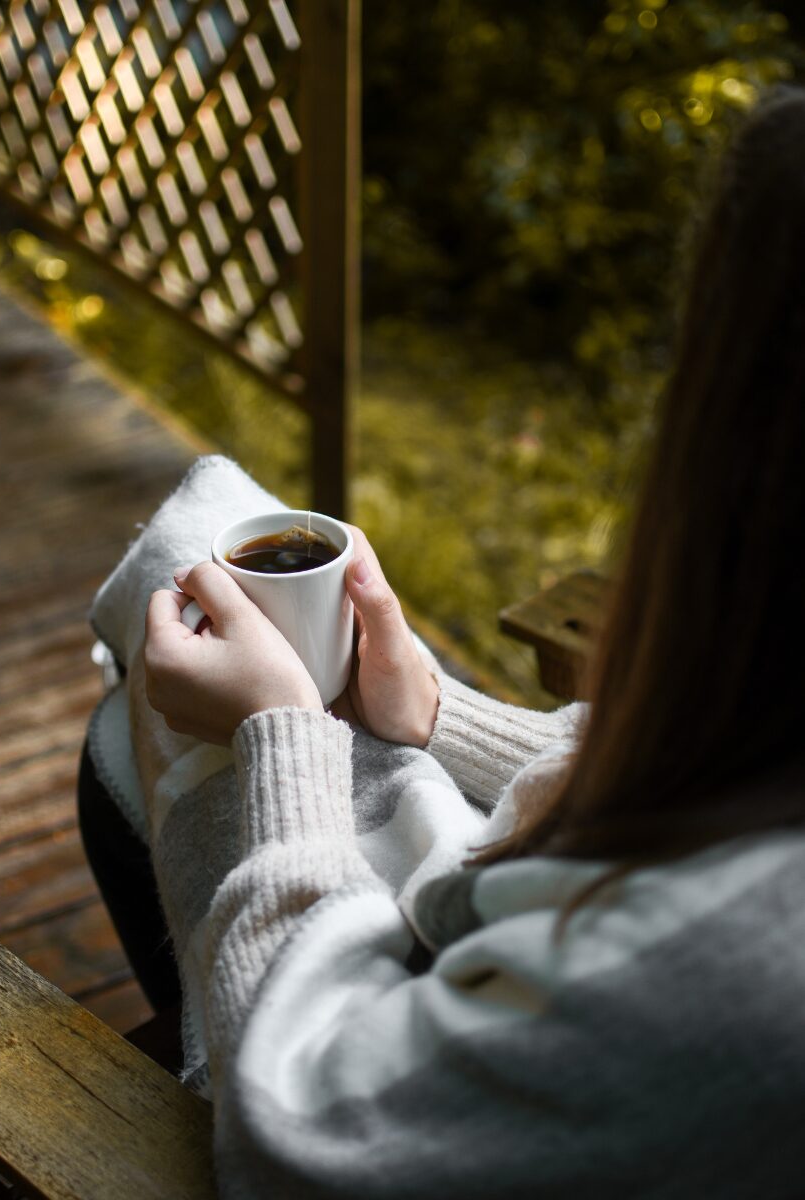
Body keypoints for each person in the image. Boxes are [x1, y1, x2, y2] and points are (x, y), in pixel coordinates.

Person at [109, 87, 805, 1196]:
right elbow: (714, 786)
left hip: (307, 1076)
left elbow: (305, 1133)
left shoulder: (732, 975)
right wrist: (434, 712)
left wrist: (280, 735)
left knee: (121, 748)